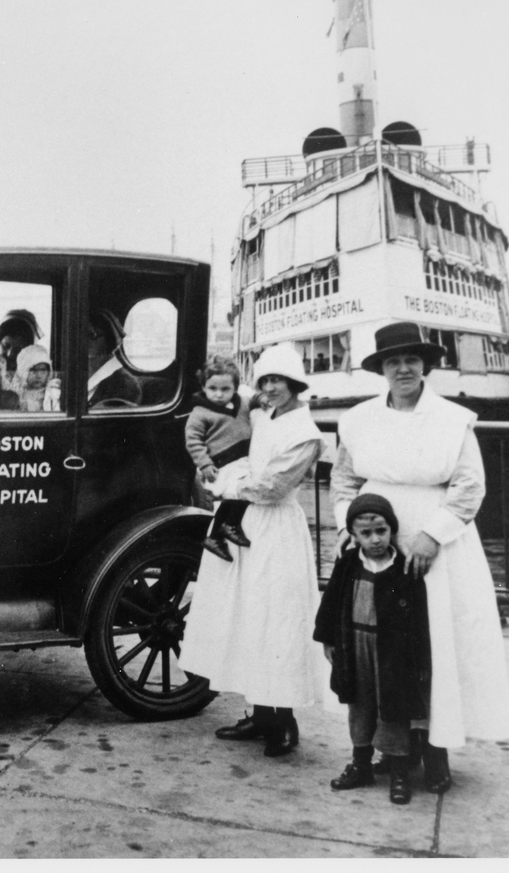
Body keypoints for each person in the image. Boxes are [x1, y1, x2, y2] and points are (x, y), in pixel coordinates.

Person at [330, 321, 509, 793]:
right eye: (394, 362)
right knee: (382, 647)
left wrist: (433, 535)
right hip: (376, 540)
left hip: (436, 544)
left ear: (426, 366)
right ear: (382, 370)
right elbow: (344, 481)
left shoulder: (453, 419)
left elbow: (470, 485)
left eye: (412, 360)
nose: (403, 369)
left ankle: (436, 753)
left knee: (434, 645)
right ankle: (393, 747)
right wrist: (350, 528)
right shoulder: (359, 419)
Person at [179, 342, 328, 756]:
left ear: (295, 383)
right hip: (241, 526)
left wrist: (221, 485)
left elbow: (273, 487)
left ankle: (284, 720)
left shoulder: (306, 434)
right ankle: (260, 713)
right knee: (246, 617)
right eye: (266, 381)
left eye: (280, 380)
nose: (272, 387)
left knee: (276, 620)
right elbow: (218, 412)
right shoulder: (259, 413)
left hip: (275, 526)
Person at [315, 494, 431, 805]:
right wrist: (328, 640)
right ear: (353, 535)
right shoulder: (349, 564)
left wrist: (420, 659)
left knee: (394, 708)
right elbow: (331, 603)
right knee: (360, 705)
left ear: (391, 530)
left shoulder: (403, 569)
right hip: (355, 645)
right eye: (365, 534)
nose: (375, 539)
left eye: (381, 531)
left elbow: (419, 618)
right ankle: (361, 764)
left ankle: (399, 772)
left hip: (393, 652)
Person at [184, 356, 253, 562]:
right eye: (212, 388)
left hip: (241, 459)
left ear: (235, 388)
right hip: (221, 464)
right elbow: (193, 440)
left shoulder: (242, 403)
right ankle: (229, 526)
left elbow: (254, 402)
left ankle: (215, 537)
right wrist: (204, 463)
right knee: (243, 490)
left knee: (234, 496)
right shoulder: (200, 412)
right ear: (204, 387)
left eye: (225, 389)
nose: (219, 394)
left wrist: (261, 400)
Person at [86, 308, 141, 408]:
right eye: (81, 336)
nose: (85, 341)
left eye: (92, 335)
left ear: (109, 338)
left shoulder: (123, 383)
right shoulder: (85, 375)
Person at [11, 344, 57, 412]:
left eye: (43, 370)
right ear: (22, 371)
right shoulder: (15, 394)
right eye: (33, 370)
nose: (38, 375)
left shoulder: (53, 393)